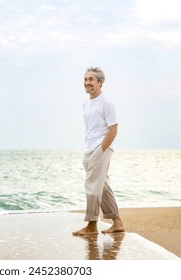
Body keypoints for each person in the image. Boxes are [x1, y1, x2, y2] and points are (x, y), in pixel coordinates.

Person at [73, 66, 125, 235]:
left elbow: (113, 130)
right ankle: (117, 222)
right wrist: (90, 149)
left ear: (101, 82)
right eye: (85, 79)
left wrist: (100, 150)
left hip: (101, 148)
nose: (87, 83)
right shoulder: (86, 103)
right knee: (102, 186)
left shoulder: (107, 103)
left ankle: (92, 225)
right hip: (89, 148)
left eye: (91, 80)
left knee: (92, 186)